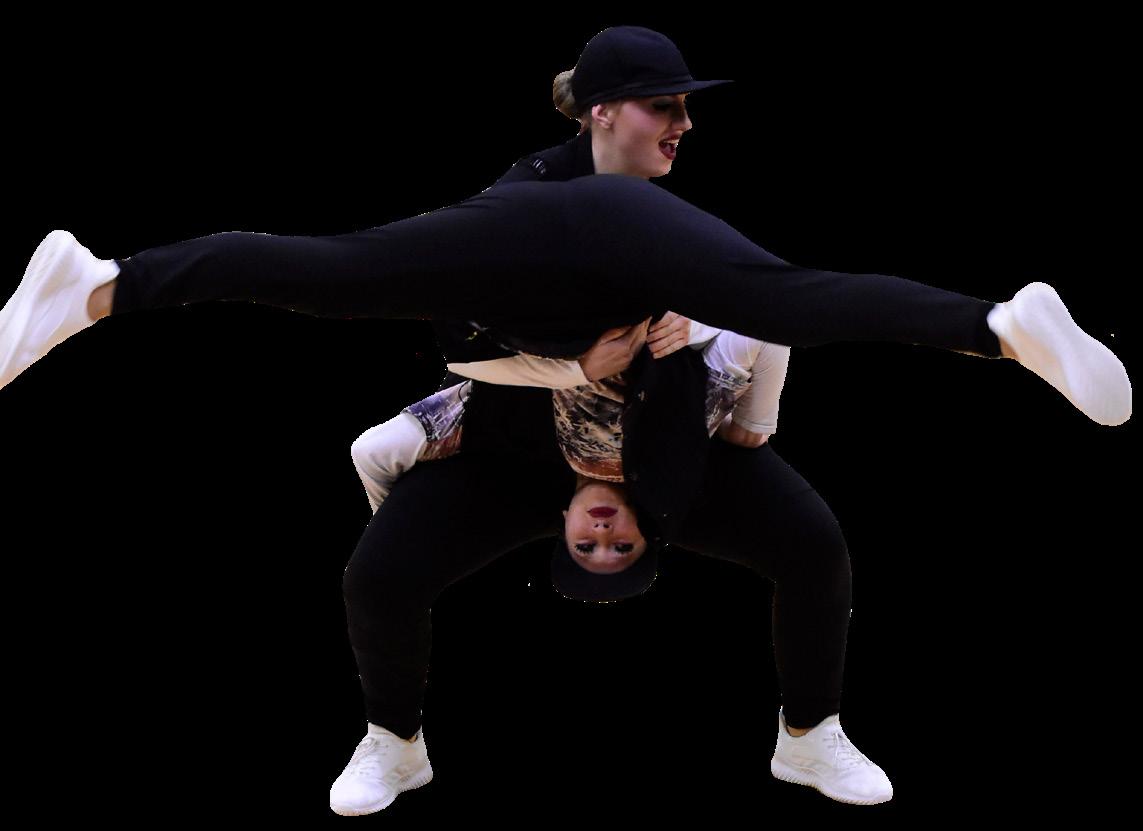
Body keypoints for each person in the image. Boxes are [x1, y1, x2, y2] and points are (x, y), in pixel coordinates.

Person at [0, 26, 1130, 817]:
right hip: (523, 442)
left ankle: (996, 337)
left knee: (805, 488)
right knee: (336, 287)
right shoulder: (535, 196)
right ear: (599, 111)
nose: (683, 123)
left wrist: (742, 412)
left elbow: (769, 316)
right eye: (663, 106)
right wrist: (570, 365)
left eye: (684, 107)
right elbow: (453, 348)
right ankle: (99, 287)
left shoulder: (656, 227)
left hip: (662, 449)